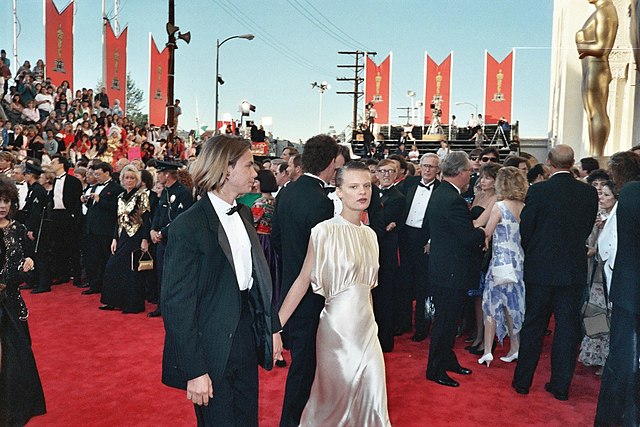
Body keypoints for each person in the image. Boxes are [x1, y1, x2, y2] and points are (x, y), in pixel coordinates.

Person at [161, 135, 281, 426]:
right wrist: (195, 370)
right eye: (249, 165)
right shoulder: (187, 226)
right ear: (226, 169)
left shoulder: (243, 213)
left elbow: (256, 279)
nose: (255, 173)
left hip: (245, 335)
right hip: (209, 343)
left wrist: (272, 328)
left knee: (246, 419)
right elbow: (176, 304)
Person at [277, 162, 390, 426]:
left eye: (366, 186)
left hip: (367, 331)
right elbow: (302, 281)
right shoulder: (324, 231)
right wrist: (276, 327)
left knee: (373, 396)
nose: (362, 192)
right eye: (353, 186)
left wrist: (373, 327)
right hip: (336, 331)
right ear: (338, 191)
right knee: (334, 404)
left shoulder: (371, 236)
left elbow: (368, 290)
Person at [512, 144, 598, 401]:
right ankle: (561, 386)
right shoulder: (588, 193)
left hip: (540, 269)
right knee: (567, 328)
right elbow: (586, 228)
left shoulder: (539, 190)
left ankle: (523, 382)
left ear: (549, 162)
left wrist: (536, 252)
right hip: (572, 269)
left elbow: (526, 229)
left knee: (534, 325)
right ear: (572, 163)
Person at [271, 134, 339, 427]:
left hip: (288, 288)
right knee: (305, 368)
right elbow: (324, 258)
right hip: (312, 296)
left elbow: (275, 240)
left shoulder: (287, 191)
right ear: (329, 163)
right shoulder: (323, 202)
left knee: (302, 363)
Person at [426, 151, 484, 387]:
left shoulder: (443, 193)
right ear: (460, 172)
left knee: (448, 321)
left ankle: (447, 360)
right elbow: (468, 238)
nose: (472, 175)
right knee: (445, 322)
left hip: (445, 268)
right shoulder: (453, 200)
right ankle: (435, 369)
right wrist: (483, 233)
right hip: (451, 271)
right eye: (470, 171)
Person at [594, 151, 640, 426]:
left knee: (624, 361)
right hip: (628, 289)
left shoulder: (632, 194)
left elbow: (613, 246)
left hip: (630, 291)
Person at [0, 174, 46, 426]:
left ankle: (15, 407)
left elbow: (23, 259)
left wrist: (28, 263)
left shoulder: (17, 228)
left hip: (13, 300)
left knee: (17, 355)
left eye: (6, 200)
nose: (2, 206)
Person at [477, 167, 527, 367]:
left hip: (500, 260)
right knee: (513, 304)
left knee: (490, 304)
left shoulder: (500, 206)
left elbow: (487, 231)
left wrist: (481, 232)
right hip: (518, 260)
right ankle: (515, 347)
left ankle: (488, 351)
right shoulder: (524, 206)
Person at [398, 153, 440, 342]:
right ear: (420, 166)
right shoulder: (409, 183)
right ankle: (403, 322)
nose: (428, 169)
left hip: (425, 241)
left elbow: (441, 219)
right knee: (404, 282)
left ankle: (422, 327)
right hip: (405, 236)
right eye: (425, 166)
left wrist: (432, 240)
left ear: (438, 170)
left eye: (432, 166)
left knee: (423, 286)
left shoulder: (441, 189)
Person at [100, 165, 151, 314]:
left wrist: (145, 239)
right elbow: (118, 219)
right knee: (113, 267)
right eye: (126, 177)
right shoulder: (120, 197)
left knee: (132, 271)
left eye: (132, 177)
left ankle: (133, 304)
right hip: (122, 236)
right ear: (122, 179)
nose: (129, 180)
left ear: (137, 180)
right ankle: (114, 301)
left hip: (136, 236)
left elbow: (146, 219)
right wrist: (114, 238)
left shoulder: (142, 196)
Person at [579, 180, 616, 375]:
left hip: (607, 273)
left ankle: (608, 359)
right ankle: (596, 354)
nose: (601, 198)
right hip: (595, 274)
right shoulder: (597, 217)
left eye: (606, 195)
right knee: (594, 311)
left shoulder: (617, 220)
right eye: (601, 194)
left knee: (609, 315)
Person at [147, 161, 193, 317]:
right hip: (162, 241)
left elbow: (182, 218)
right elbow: (158, 213)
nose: (158, 176)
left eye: (160, 173)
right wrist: (153, 229)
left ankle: (175, 306)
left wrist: (163, 232)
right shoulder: (165, 192)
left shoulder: (183, 193)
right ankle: (161, 306)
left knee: (175, 274)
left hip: (175, 241)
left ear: (167, 174)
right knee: (161, 273)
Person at [374, 159, 406, 352]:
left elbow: (384, 224)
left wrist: (382, 225)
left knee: (385, 297)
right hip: (369, 252)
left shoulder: (398, 197)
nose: (386, 174)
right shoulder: (369, 193)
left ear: (396, 175)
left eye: (390, 171)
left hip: (386, 254)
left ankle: (385, 341)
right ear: (376, 173)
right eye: (382, 171)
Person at [82, 162, 124, 295]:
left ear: (107, 173)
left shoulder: (117, 188)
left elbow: (116, 208)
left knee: (106, 258)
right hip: (91, 228)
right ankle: (95, 284)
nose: (96, 177)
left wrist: (100, 200)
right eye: (95, 174)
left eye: (99, 174)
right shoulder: (93, 187)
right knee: (94, 258)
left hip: (105, 229)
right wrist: (86, 201)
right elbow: (94, 208)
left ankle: (108, 286)